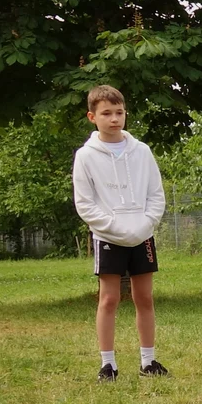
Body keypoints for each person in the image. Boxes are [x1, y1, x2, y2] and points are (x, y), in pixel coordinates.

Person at [70, 85, 168, 382]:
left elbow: (156, 194)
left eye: (119, 113)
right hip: (108, 237)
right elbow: (85, 204)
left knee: (145, 298)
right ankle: (108, 364)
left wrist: (144, 225)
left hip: (142, 235)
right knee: (109, 299)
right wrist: (113, 227)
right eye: (106, 113)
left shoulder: (142, 151)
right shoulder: (85, 156)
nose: (114, 119)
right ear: (92, 117)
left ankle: (148, 361)